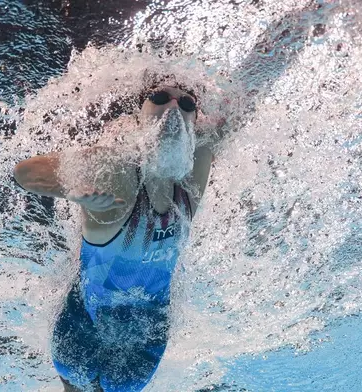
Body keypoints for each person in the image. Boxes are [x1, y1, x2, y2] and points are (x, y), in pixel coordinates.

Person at [13, 83, 218, 391]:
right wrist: (72, 191)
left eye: (187, 104)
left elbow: (239, 106)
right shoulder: (117, 176)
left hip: (116, 337)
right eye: (160, 98)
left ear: (193, 121)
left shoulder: (193, 173)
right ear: (140, 117)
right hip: (97, 329)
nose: (174, 108)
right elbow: (23, 174)